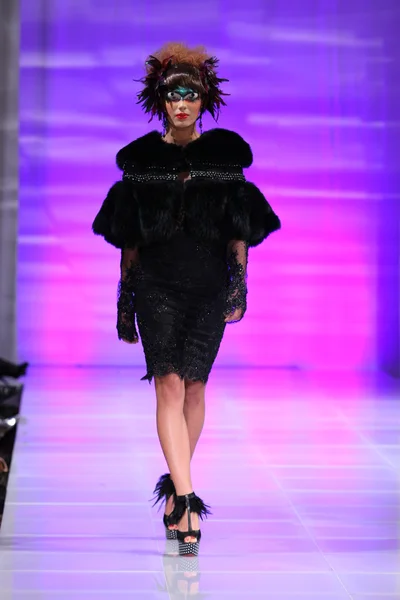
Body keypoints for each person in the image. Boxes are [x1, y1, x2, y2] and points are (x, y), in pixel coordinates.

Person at [92, 42, 281, 556]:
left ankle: (176, 493)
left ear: (204, 100)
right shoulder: (141, 162)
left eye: (189, 94)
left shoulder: (224, 158)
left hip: (207, 285)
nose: (181, 103)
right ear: (160, 100)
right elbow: (128, 240)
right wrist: (125, 300)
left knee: (196, 387)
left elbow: (238, 231)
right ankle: (189, 497)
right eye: (172, 94)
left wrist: (239, 286)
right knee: (168, 385)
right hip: (156, 284)